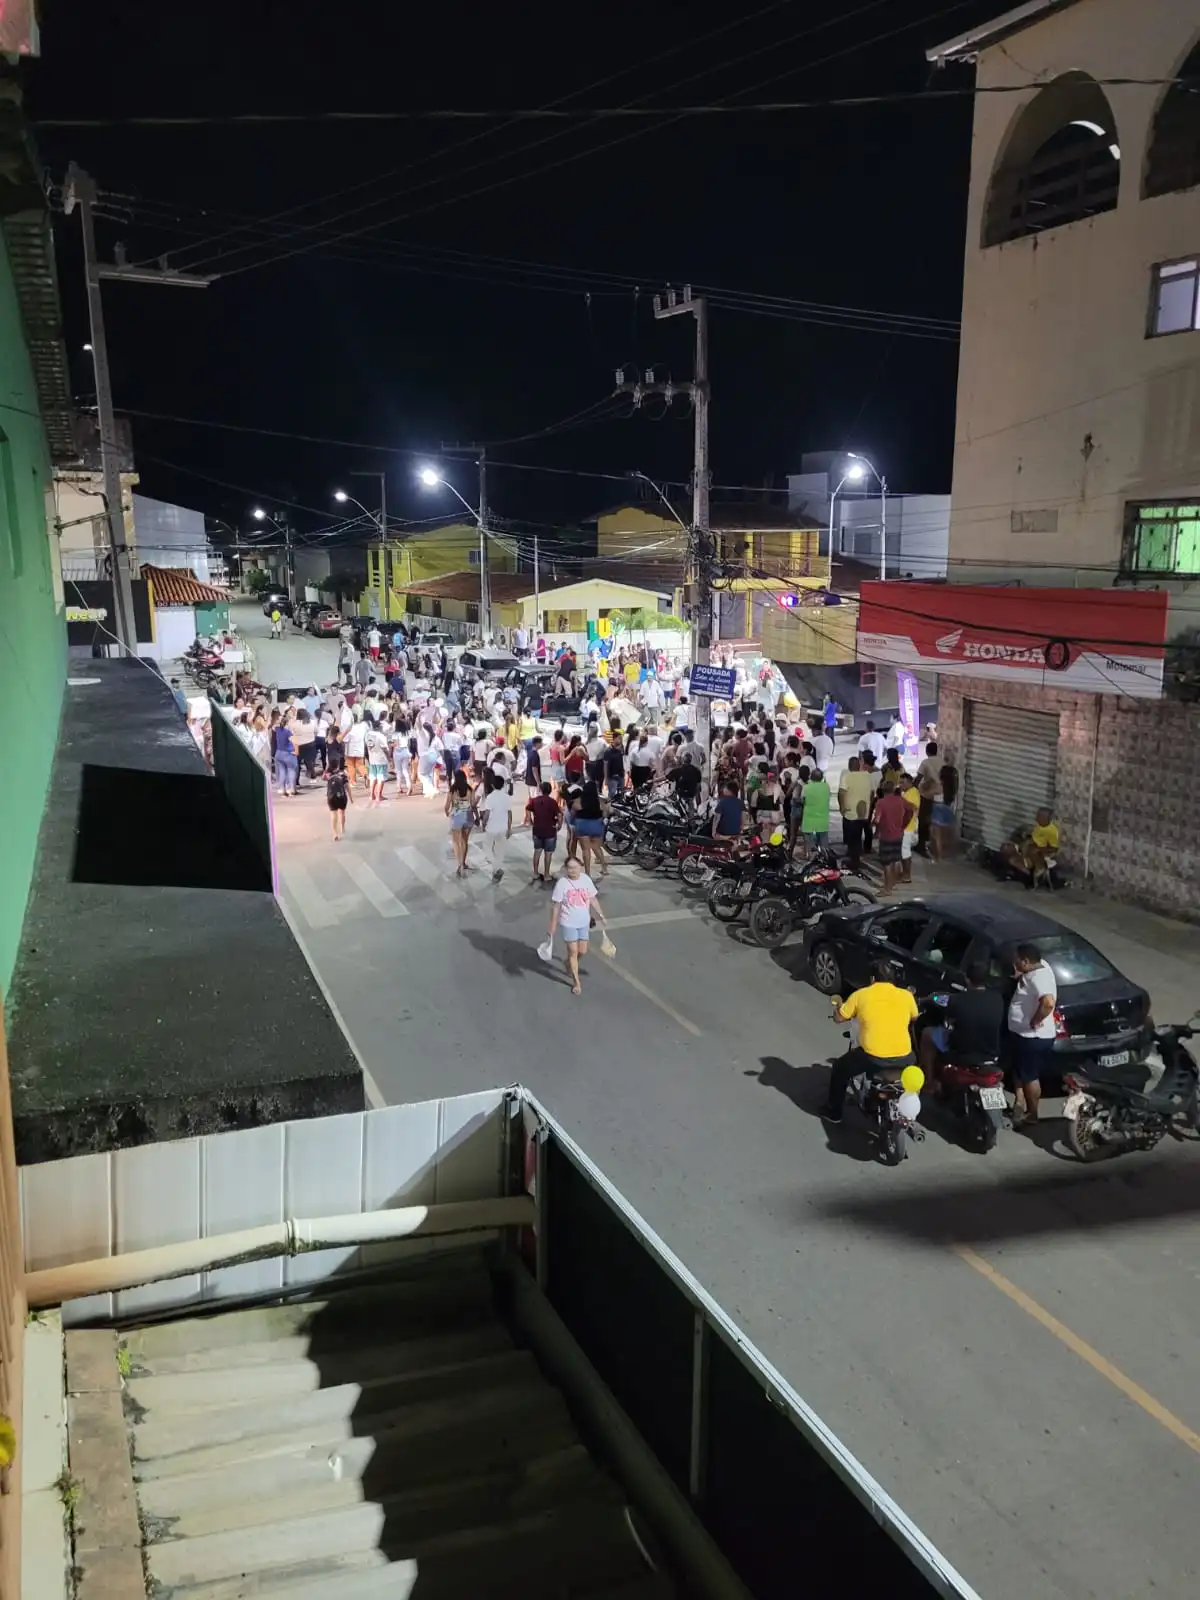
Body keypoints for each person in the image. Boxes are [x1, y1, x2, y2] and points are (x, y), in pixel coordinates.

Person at [820, 960, 918, 1124]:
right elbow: (914, 1017)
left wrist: (838, 1005)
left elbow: (839, 1018)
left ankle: (834, 1112)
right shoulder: (906, 995)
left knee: (839, 1068)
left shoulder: (861, 995)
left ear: (872, 979)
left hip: (873, 1057)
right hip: (906, 1057)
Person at [918, 962, 1006, 1081]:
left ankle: (928, 1083)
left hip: (962, 1052)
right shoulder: (997, 998)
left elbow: (947, 1015)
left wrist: (929, 999)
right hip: (990, 1053)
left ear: (967, 979)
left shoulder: (957, 1000)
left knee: (927, 1034)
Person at [1008, 942, 1058, 1127]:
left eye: (1017, 961)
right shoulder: (1040, 966)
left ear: (1027, 961)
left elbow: (1048, 1003)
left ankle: (1032, 1113)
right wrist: (1022, 973)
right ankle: (1019, 1101)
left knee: (1030, 1076)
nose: (1014, 964)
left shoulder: (1039, 979)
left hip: (1033, 1037)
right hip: (1022, 1035)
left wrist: (1035, 1020)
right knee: (1020, 1069)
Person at [548, 856, 608, 997]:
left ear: (580, 867)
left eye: (575, 867)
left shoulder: (586, 880)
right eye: (570, 868)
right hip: (568, 923)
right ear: (566, 869)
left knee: (583, 950)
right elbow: (556, 906)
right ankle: (576, 982)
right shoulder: (562, 884)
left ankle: (568, 962)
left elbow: (592, 898)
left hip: (583, 922)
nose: (573, 870)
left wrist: (601, 915)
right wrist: (553, 925)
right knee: (573, 952)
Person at [873, 782, 915, 896]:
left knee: (886, 862)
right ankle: (892, 884)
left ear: (882, 790)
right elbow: (912, 809)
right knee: (896, 860)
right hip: (899, 834)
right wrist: (906, 822)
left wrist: (875, 828)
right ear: (893, 789)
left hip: (886, 836)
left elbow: (877, 820)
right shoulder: (900, 800)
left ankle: (887, 889)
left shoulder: (881, 802)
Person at [477, 769, 514, 881]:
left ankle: (496, 868)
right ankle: (496, 869)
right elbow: (509, 813)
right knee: (500, 850)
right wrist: (509, 827)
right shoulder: (506, 797)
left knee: (487, 847)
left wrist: (483, 823)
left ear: (492, 785)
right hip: (503, 827)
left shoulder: (490, 797)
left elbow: (487, 813)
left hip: (492, 827)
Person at [838, 756, 873, 868]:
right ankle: (855, 857)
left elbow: (841, 793)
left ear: (849, 766)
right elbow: (872, 793)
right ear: (859, 766)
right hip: (864, 812)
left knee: (853, 838)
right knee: (858, 835)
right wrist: (869, 806)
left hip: (851, 812)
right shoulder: (867, 776)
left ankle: (854, 860)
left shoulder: (847, 776)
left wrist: (842, 807)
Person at [571, 776, 609, 878]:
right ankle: (604, 867)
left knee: (586, 849)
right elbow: (605, 811)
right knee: (596, 847)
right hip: (596, 825)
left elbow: (574, 809)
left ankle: (587, 872)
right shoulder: (599, 801)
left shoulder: (579, 800)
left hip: (583, 825)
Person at [526, 781, 562, 883]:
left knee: (537, 851)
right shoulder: (552, 802)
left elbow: (528, 809)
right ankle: (546, 874)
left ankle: (535, 873)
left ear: (540, 790)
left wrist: (530, 820)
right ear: (550, 791)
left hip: (537, 830)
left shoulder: (534, 801)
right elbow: (559, 815)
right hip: (550, 830)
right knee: (548, 854)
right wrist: (559, 825)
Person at [444, 768, 476, 877]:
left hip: (456, 817)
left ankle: (459, 864)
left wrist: (448, 813)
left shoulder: (452, 790)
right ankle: (463, 862)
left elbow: (447, 806)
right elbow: (473, 804)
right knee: (464, 841)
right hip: (468, 816)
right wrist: (476, 816)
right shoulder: (470, 789)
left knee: (456, 842)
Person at [915, 742, 941, 857]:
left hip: (927, 795)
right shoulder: (942, 761)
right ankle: (929, 845)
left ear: (927, 751)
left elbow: (919, 778)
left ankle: (921, 845)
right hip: (939, 795)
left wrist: (912, 788)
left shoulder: (926, 762)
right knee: (932, 821)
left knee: (923, 820)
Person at [931, 759, 959, 861]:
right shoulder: (952, 787)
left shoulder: (939, 786)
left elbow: (927, 793)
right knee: (945, 835)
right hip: (948, 810)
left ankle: (938, 856)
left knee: (936, 836)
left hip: (938, 810)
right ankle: (946, 855)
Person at [800, 766, 831, 849]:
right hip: (823, 822)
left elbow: (802, 800)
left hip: (809, 823)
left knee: (812, 847)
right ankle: (825, 860)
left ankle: (813, 859)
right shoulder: (826, 787)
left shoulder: (806, 787)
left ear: (811, 777)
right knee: (824, 847)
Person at [325, 753, 353, 841]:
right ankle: (342, 828)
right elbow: (347, 787)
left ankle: (335, 833)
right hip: (341, 796)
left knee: (333, 814)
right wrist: (351, 798)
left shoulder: (327, 774)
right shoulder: (343, 774)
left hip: (331, 797)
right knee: (342, 813)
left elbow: (323, 777)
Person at [900, 774, 921, 884]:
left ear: (909, 782)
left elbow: (912, 808)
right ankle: (904, 873)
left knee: (905, 851)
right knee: (904, 851)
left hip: (908, 827)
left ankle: (906, 875)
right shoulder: (909, 793)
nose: (901, 785)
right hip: (908, 826)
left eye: (903, 782)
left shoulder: (912, 793)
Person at [365, 717, 391, 806]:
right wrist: (389, 758)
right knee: (381, 778)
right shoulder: (381, 736)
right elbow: (385, 749)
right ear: (379, 727)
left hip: (372, 759)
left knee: (373, 777)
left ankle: (371, 795)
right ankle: (378, 796)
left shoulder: (367, 735)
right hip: (381, 759)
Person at [274, 715, 298, 797]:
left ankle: (283, 789)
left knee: (282, 772)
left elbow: (273, 725)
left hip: (279, 753)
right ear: (287, 723)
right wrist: (296, 751)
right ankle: (291, 789)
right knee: (291, 770)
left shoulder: (277, 730)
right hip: (288, 753)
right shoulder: (288, 732)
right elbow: (295, 742)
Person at [344, 714, 368, 788]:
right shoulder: (362, 727)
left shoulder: (349, 729)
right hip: (360, 749)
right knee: (360, 765)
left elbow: (345, 739)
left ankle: (353, 781)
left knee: (351, 766)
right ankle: (366, 775)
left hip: (350, 750)